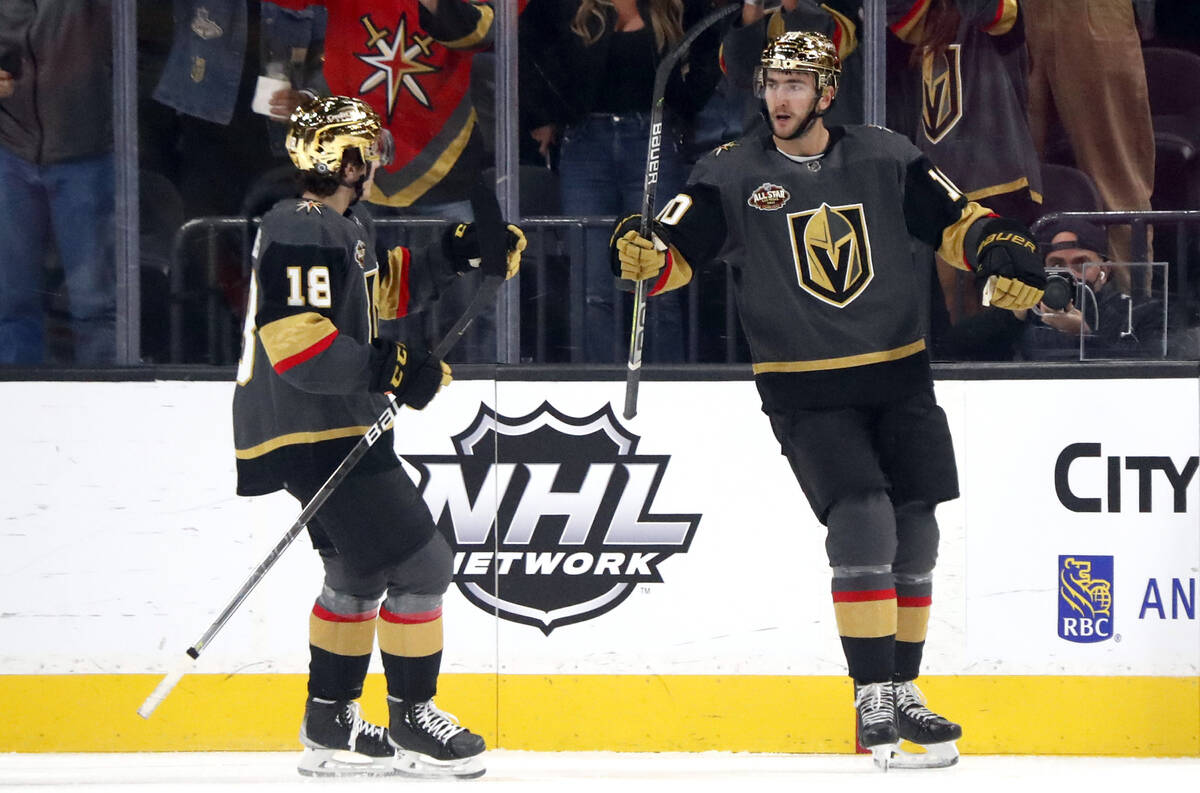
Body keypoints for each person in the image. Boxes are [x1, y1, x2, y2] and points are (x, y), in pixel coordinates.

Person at [610, 31, 1045, 769]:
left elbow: (957, 223)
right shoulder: (730, 171)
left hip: (899, 372)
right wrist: (649, 257)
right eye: (771, 85)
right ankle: (871, 688)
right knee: (864, 516)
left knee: (918, 529)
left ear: (827, 91)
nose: (778, 98)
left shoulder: (882, 153)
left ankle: (903, 686)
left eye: (794, 84)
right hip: (804, 384)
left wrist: (1001, 249)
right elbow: (677, 253)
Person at [232, 95, 525, 779]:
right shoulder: (302, 225)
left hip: (323, 423)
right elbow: (299, 343)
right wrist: (392, 366)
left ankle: (329, 718)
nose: (373, 164)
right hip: (317, 425)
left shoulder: (338, 226)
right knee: (423, 566)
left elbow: (374, 295)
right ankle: (412, 718)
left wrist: (458, 252)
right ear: (341, 157)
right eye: (365, 151)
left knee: (358, 571)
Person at [526, 0, 722, 363]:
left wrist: (684, 108)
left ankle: (667, 388)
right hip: (585, 144)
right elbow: (531, 55)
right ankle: (597, 388)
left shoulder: (672, 10)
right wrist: (546, 116)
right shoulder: (574, 12)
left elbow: (711, 53)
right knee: (592, 285)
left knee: (657, 275)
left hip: (653, 138)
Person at [0, 0, 115, 365]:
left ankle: (106, 394)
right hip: (10, 151)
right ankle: (16, 395)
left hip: (85, 152)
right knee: (11, 298)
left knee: (93, 300)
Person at [1022, 0, 1155, 269]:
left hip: (1093, 10)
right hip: (1013, 16)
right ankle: (1011, 306)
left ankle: (1129, 305)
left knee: (1115, 179)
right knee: (1010, 181)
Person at [1020, 217, 1164, 360]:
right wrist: (1012, 318)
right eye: (1057, 266)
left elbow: (1148, 371)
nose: (1070, 275)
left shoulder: (1138, 312)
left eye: (1081, 264)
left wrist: (1085, 336)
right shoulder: (1033, 312)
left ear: (1104, 271)